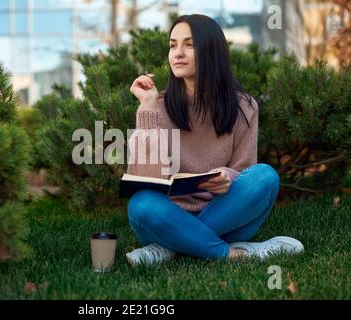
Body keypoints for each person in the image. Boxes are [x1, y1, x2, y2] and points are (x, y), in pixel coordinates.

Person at [125, 14, 304, 266]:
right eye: (172, 44)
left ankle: (170, 247)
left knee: (265, 176)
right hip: (167, 214)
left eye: (189, 44)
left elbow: (245, 172)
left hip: (226, 214)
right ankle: (229, 253)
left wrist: (225, 177)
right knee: (141, 204)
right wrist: (147, 110)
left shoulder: (244, 106)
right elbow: (144, 178)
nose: (177, 52)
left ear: (211, 50)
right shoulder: (157, 107)